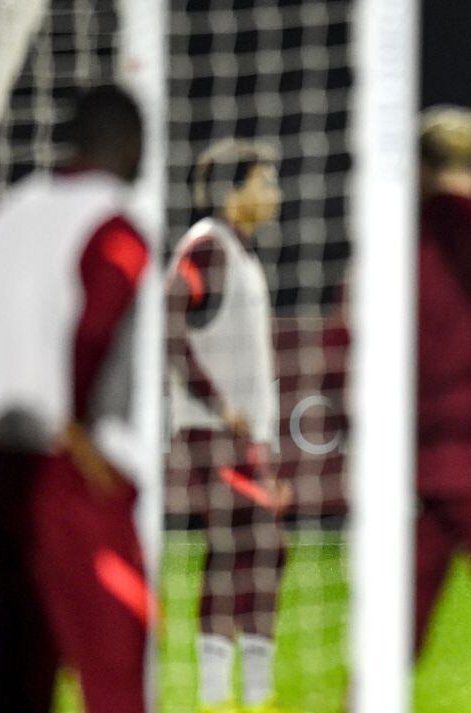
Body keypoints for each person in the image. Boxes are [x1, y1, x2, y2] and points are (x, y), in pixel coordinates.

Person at [0, 85, 152, 713]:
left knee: (23, 676)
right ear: (128, 144)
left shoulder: (3, 216)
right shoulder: (115, 221)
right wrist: (76, 431)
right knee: (117, 673)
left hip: (4, 472)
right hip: (74, 475)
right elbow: (96, 324)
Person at [166, 138, 291, 713]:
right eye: (264, 181)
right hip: (208, 436)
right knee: (254, 545)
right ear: (231, 191)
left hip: (242, 441)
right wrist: (218, 405)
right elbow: (166, 320)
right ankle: (229, 692)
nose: (275, 193)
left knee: (251, 551)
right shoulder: (207, 248)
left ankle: (245, 691)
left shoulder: (239, 253)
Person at [414, 105, 471, 653]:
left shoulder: (392, 247)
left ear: (419, 168)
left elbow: (344, 347)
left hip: (414, 470)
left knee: (388, 643)